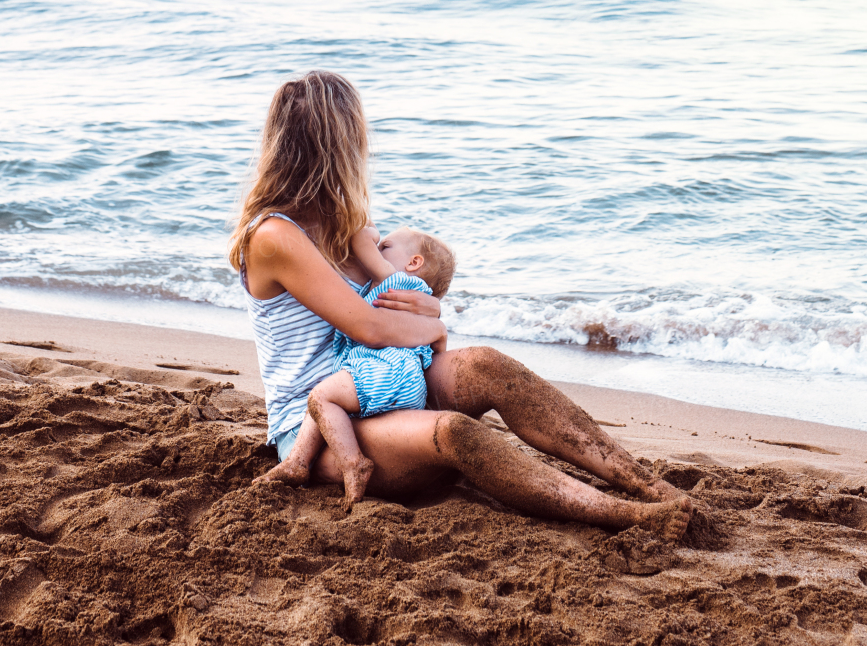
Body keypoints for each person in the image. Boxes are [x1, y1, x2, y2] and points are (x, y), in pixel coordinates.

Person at [231, 70, 691, 540]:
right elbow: (371, 325)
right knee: (453, 431)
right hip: (319, 424)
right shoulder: (274, 236)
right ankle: (618, 514)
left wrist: (429, 320)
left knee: (491, 366)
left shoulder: (347, 222)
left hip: (384, 379)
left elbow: (411, 304)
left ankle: (648, 486)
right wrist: (431, 329)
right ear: (333, 143)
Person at [263, 223, 455, 507]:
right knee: (332, 401)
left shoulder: (394, 279)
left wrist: (366, 229)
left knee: (322, 396)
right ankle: (299, 461)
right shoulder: (413, 297)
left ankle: (340, 463)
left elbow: (361, 240)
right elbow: (437, 347)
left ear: (414, 263)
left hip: (386, 369)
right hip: (405, 377)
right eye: (380, 247)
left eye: (386, 247)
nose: (378, 250)